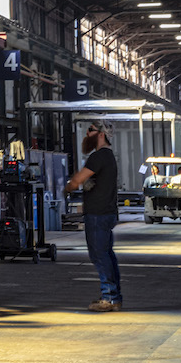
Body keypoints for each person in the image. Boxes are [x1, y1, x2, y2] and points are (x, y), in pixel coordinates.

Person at [66, 123, 121, 312]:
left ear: (101, 134)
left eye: (90, 131)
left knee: (99, 255)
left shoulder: (98, 156)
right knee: (106, 255)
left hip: (98, 214)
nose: (86, 134)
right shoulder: (108, 157)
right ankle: (114, 296)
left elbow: (77, 180)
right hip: (106, 212)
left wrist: (68, 187)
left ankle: (109, 297)